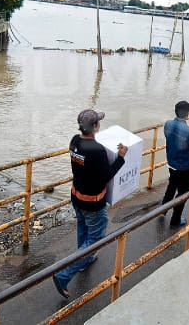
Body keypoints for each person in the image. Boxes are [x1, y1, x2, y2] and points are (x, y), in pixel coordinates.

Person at [53, 109, 127, 299]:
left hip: (77, 196)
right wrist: (120, 158)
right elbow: (107, 175)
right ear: (95, 126)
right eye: (98, 123)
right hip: (93, 203)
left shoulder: (74, 141)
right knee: (95, 239)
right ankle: (64, 275)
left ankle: (84, 260)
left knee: (83, 230)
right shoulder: (97, 150)